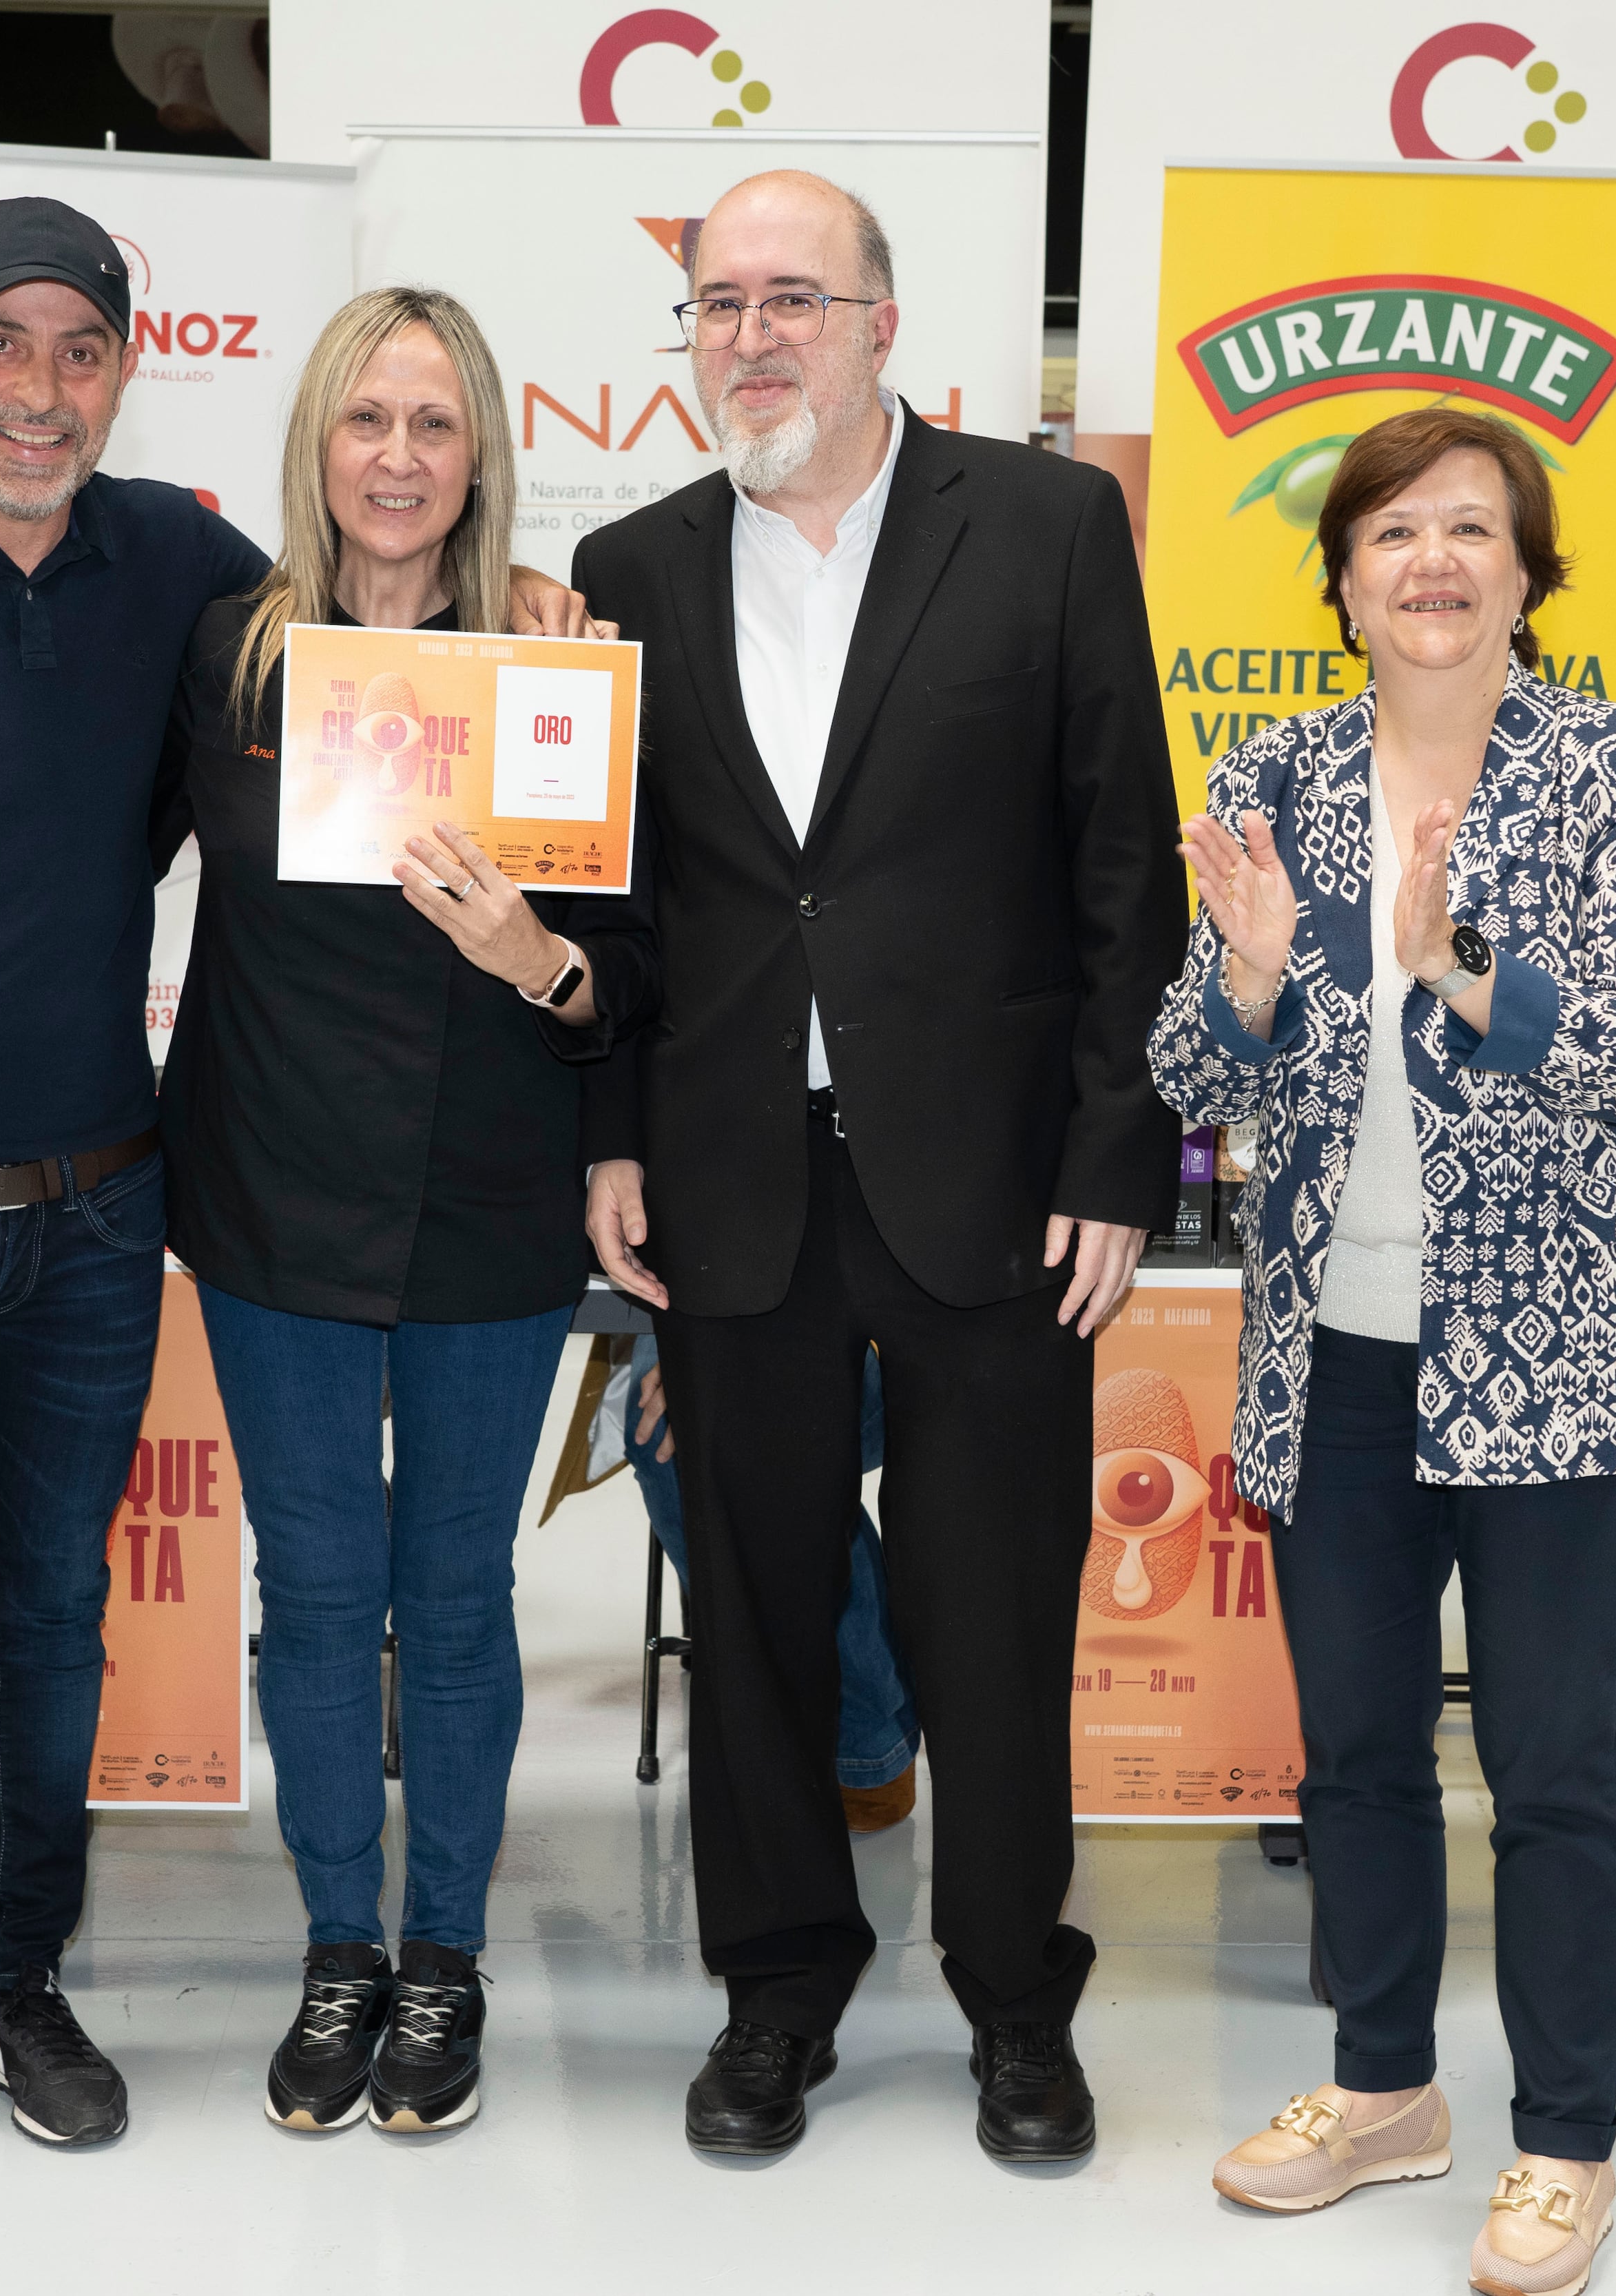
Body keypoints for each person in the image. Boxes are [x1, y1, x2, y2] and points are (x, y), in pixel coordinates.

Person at [0, 198, 592, 2210]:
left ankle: (18, 1982)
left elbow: (380, 626)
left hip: (88, 1208)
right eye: (3, 344)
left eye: (80, 352)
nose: (38, 389)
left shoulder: (178, 575)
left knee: (53, 1618)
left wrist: (535, 621)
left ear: (123, 376)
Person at [566, 169, 1183, 2165]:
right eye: (720, 302)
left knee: (989, 1601)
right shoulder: (629, 567)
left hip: (995, 1176)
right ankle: (779, 1983)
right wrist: (609, 1136)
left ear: (882, 323)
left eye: (793, 298)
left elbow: (1123, 864)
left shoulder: (1051, 526)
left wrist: (1120, 1143)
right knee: (748, 1593)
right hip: (734, 1167)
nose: (753, 334)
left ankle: (1017, 1994)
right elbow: (619, 901)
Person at [1150, 406, 1616, 2296]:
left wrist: (1466, 968)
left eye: (1473, 529)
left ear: (1531, 575)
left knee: (1558, 1762)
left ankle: (1566, 2139)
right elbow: (1186, 1081)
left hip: (1552, 1352)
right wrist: (1239, 976)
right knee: (1360, 1752)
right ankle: (1384, 2083)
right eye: (1394, 532)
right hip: (1339, 1349)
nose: (1435, 562)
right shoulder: (1277, 773)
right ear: (1346, 583)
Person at [152, 286, 616, 2140]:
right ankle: (341, 1941)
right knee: (320, 1594)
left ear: (483, 451)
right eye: (369, 420)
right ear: (318, 444)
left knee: (460, 1594)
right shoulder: (228, 661)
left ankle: (448, 1956)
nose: (401, 458)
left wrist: (545, 962)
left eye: (436, 423)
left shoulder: (560, 663)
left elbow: (623, 976)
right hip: (276, 1197)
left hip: (495, 1201)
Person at [625, 1341, 920, 1832]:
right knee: (662, 1427)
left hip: (855, 1312)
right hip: (700, 1304)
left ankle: (866, 1738)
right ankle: (764, 1720)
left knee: (781, 1412)